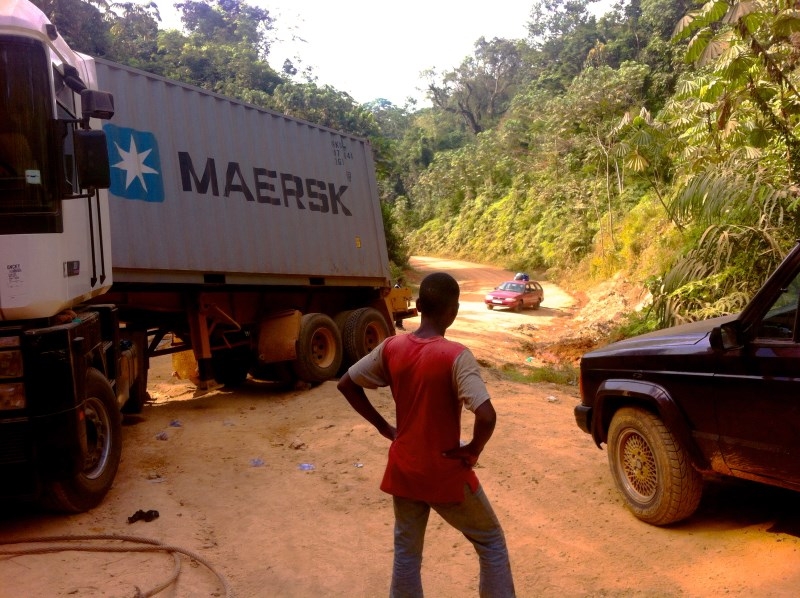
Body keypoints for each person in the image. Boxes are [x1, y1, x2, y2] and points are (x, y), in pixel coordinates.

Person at [337, 272, 515, 598]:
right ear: (455, 311)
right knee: (490, 541)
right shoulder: (456, 356)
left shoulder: (391, 347)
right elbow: (486, 415)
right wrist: (473, 449)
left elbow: (346, 384)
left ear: (418, 306)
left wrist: (383, 427)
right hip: (444, 471)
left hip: (404, 467)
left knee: (407, 552)